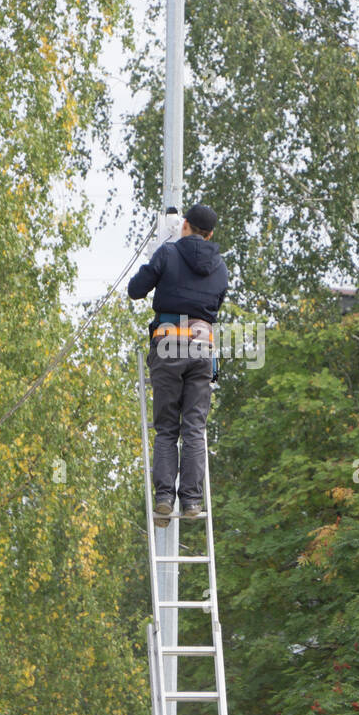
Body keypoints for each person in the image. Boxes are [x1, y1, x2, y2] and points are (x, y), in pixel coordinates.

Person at [128, 203, 229, 527]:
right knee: (195, 428)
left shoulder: (168, 254)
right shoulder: (220, 266)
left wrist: (160, 257)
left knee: (168, 428)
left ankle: (163, 499)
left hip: (169, 344)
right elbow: (214, 307)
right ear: (210, 233)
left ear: (184, 224)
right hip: (202, 348)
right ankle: (191, 501)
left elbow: (135, 290)